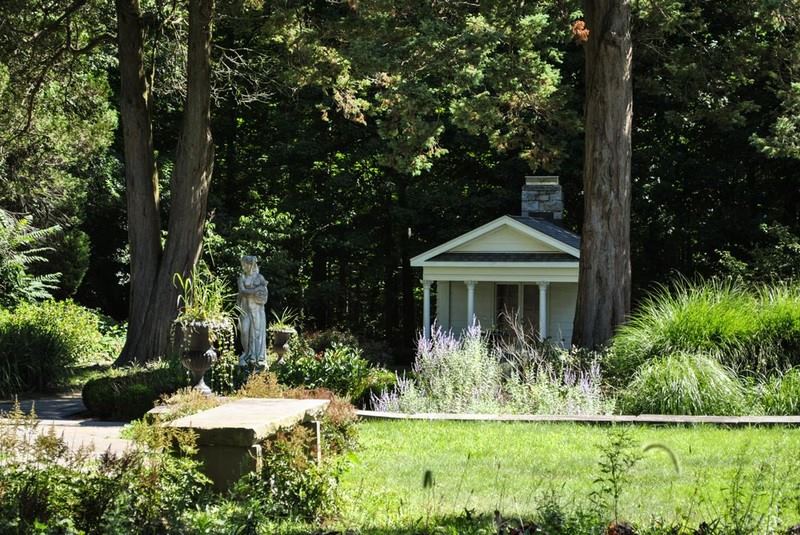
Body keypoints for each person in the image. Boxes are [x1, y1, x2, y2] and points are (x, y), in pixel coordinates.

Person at [237, 255, 268, 367]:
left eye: (244, 264)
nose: (243, 266)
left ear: (250, 265)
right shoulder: (242, 278)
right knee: (245, 331)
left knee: (257, 333)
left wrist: (259, 291)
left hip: (257, 310)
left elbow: (264, 294)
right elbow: (242, 291)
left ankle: (257, 357)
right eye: (242, 264)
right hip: (245, 310)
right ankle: (246, 353)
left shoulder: (259, 277)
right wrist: (256, 290)